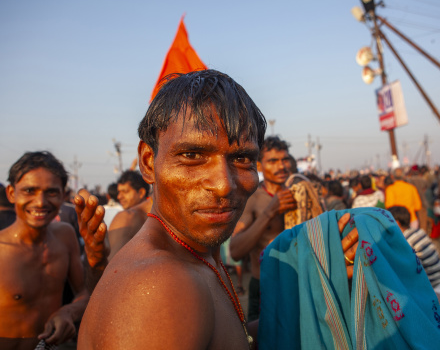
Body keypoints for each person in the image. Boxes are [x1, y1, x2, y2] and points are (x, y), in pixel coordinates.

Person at [75, 70, 359, 349]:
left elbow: (236, 338)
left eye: (242, 158)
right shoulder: (163, 287)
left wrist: (320, 292)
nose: (224, 185)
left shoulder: (195, 256)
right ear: (149, 162)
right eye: (192, 155)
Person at [0, 151, 88, 350]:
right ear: (11, 194)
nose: (40, 202)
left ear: (63, 195)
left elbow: (84, 291)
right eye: (29, 190)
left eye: (51, 192)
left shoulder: (65, 236)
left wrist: (69, 312)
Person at [229, 136, 297, 321]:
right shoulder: (253, 200)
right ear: (259, 166)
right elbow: (234, 251)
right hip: (264, 285)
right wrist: (270, 212)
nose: (281, 166)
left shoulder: (300, 195)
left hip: (298, 284)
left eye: (285, 160)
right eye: (273, 161)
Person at [387, 205, 440, 297]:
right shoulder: (418, 232)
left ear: (397, 223)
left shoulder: (406, 242)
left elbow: (410, 272)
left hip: (437, 288)